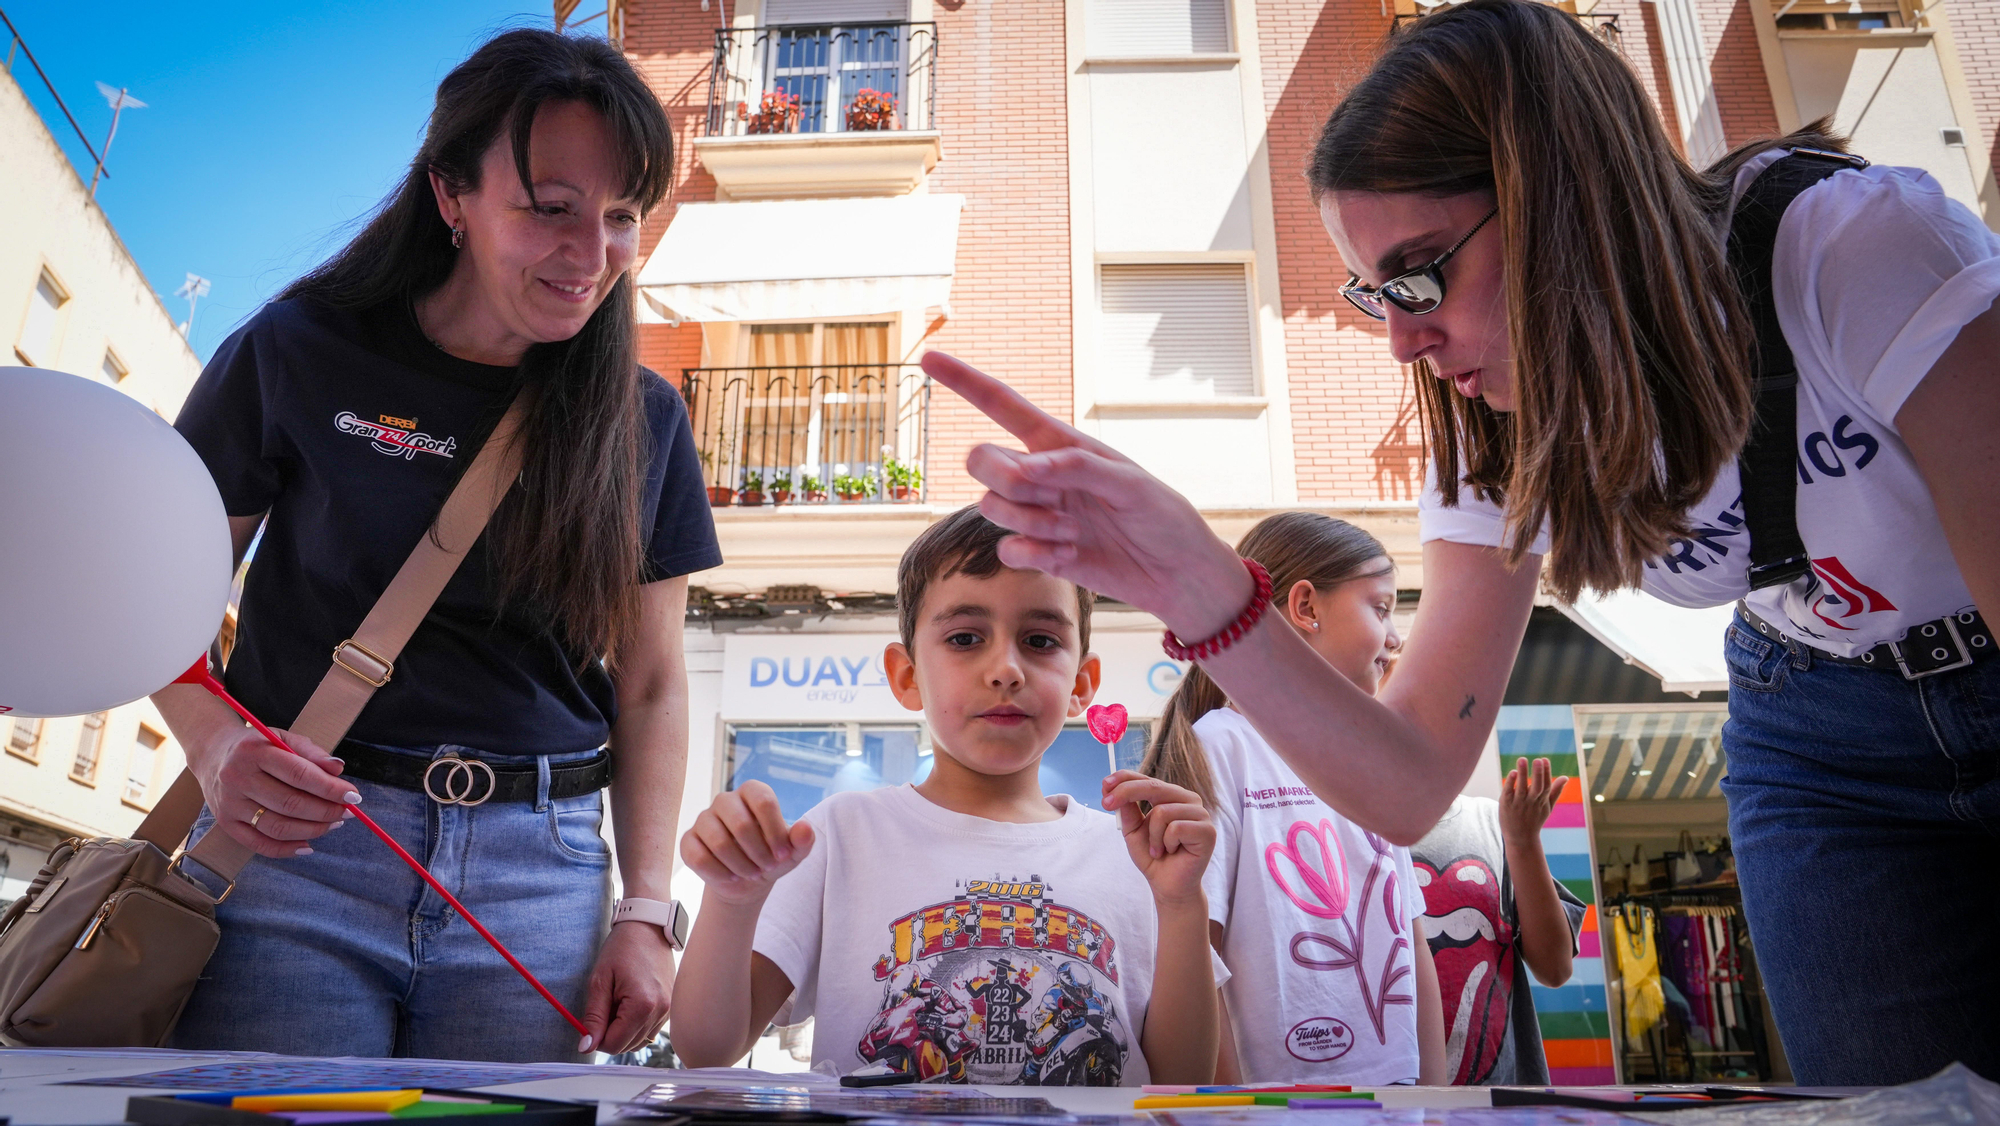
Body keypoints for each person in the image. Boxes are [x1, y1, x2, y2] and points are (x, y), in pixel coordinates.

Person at [916, 0, 2000, 1085]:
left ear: (1563, 200)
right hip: (1812, 723)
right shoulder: (1492, 433)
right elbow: (1407, 784)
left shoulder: (1856, 250)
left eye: (1422, 272)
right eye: (1374, 291)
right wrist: (1196, 583)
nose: (1398, 337)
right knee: (1891, 1105)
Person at [153, 30, 720, 1061]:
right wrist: (215, 743)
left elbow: (649, 686)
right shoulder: (296, 350)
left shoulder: (642, 419)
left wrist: (646, 911)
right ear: (450, 197)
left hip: (538, 877)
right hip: (299, 847)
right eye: (550, 208)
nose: (590, 256)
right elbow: (158, 598)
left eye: (622, 218)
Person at [670, 507, 1220, 1084]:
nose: (1006, 668)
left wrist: (1182, 905)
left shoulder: (1134, 856)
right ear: (907, 676)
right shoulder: (842, 833)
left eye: (1039, 639)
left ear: (1081, 683)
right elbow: (707, 1046)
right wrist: (733, 902)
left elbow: (1183, 1077)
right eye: (965, 638)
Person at [1143, 513, 1445, 1085]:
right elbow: (1196, 959)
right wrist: (1232, 1111)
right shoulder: (1220, 747)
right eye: (1381, 608)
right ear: (1306, 608)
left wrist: (1432, 1097)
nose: (1397, 635)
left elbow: (1412, 942)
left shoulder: (1373, 760)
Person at [1412, 759, 1584, 1085]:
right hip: (1386, 1102)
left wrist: (1523, 841)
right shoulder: (1341, 826)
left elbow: (1555, 967)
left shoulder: (1493, 822)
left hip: (1500, 1100)